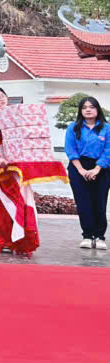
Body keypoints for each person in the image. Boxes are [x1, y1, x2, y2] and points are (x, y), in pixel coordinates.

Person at [0, 85, 41, 256]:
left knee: (21, 198)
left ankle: (19, 239)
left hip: (15, 164)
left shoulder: (15, 117)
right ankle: (0, 239)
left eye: (2, 95)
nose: (1, 98)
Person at [64, 96, 110, 250]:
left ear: (98, 109)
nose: (88, 110)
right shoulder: (73, 127)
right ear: (80, 111)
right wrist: (81, 170)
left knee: (99, 202)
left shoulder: (106, 128)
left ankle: (100, 236)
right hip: (78, 167)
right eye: (84, 107)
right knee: (83, 202)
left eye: (91, 107)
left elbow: (108, 151)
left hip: (102, 168)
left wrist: (97, 168)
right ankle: (87, 236)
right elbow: (70, 150)